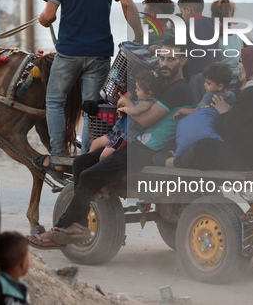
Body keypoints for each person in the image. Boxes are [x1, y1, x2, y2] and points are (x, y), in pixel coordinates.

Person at [27, 38, 192, 249]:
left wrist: (128, 104)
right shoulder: (165, 86)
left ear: (183, 62)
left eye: (171, 59)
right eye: (161, 58)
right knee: (80, 164)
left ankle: (64, 226)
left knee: (89, 175)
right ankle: (79, 224)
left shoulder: (178, 89)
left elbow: (144, 119)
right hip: (139, 143)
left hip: (148, 149)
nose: (164, 63)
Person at [36, 0, 143, 172]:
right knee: (90, 107)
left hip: (68, 54)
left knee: (54, 101)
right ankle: (85, 159)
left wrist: (43, 20)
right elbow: (126, 2)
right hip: (99, 54)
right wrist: (138, 33)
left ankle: (59, 156)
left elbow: (48, 16)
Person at [173, 45, 253, 171]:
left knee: (204, 146)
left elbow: (230, 129)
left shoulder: (252, 92)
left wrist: (224, 111)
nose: (239, 66)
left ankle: (174, 162)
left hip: (251, 159)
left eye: (243, 62)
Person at [168, 62, 236, 165]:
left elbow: (197, 110)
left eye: (208, 83)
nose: (204, 85)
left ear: (220, 86)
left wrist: (182, 110)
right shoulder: (231, 95)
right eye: (205, 81)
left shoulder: (209, 96)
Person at [90, 70, 163, 161]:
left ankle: (99, 171)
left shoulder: (148, 102)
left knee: (104, 156)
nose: (136, 91)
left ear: (149, 93)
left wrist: (124, 108)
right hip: (117, 131)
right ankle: (88, 161)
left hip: (125, 136)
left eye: (138, 89)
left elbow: (135, 111)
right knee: (95, 143)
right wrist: (128, 97)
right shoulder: (142, 98)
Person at [178, 0, 222, 105]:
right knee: (214, 106)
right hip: (217, 73)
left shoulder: (185, 26)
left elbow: (177, 49)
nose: (182, 15)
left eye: (181, 12)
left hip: (198, 74)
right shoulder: (215, 23)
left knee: (198, 106)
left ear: (188, 10)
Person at [211, 0, 242, 78]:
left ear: (213, 15)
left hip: (218, 78)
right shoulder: (238, 37)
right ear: (232, 15)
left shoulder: (211, 36)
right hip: (237, 77)